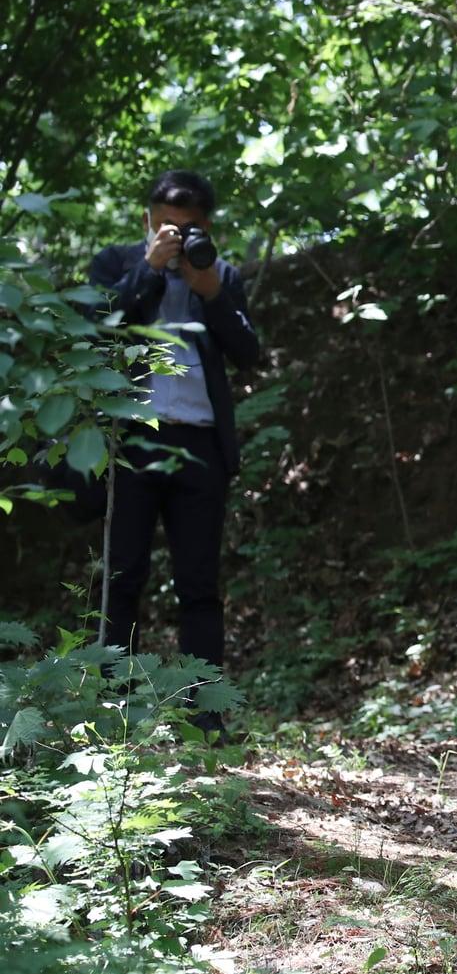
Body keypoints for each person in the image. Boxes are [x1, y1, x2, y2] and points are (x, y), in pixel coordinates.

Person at [86, 169, 260, 740]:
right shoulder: (116, 264)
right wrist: (150, 269)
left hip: (200, 443)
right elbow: (97, 332)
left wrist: (212, 294)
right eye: (166, 225)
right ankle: (113, 709)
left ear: (208, 227)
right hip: (130, 438)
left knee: (200, 586)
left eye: (189, 229)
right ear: (148, 220)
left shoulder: (220, 274)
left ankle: (204, 714)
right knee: (121, 575)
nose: (178, 236)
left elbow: (248, 353)